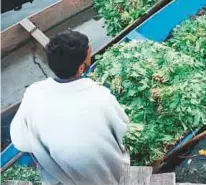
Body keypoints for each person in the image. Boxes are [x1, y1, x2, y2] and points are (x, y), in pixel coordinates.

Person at [10, 31, 130, 185]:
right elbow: (126, 136)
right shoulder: (101, 96)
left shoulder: (34, 92)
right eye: (89, 54)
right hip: (108, 178)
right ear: (81, 69)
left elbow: (20, 141)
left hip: (60, 178)